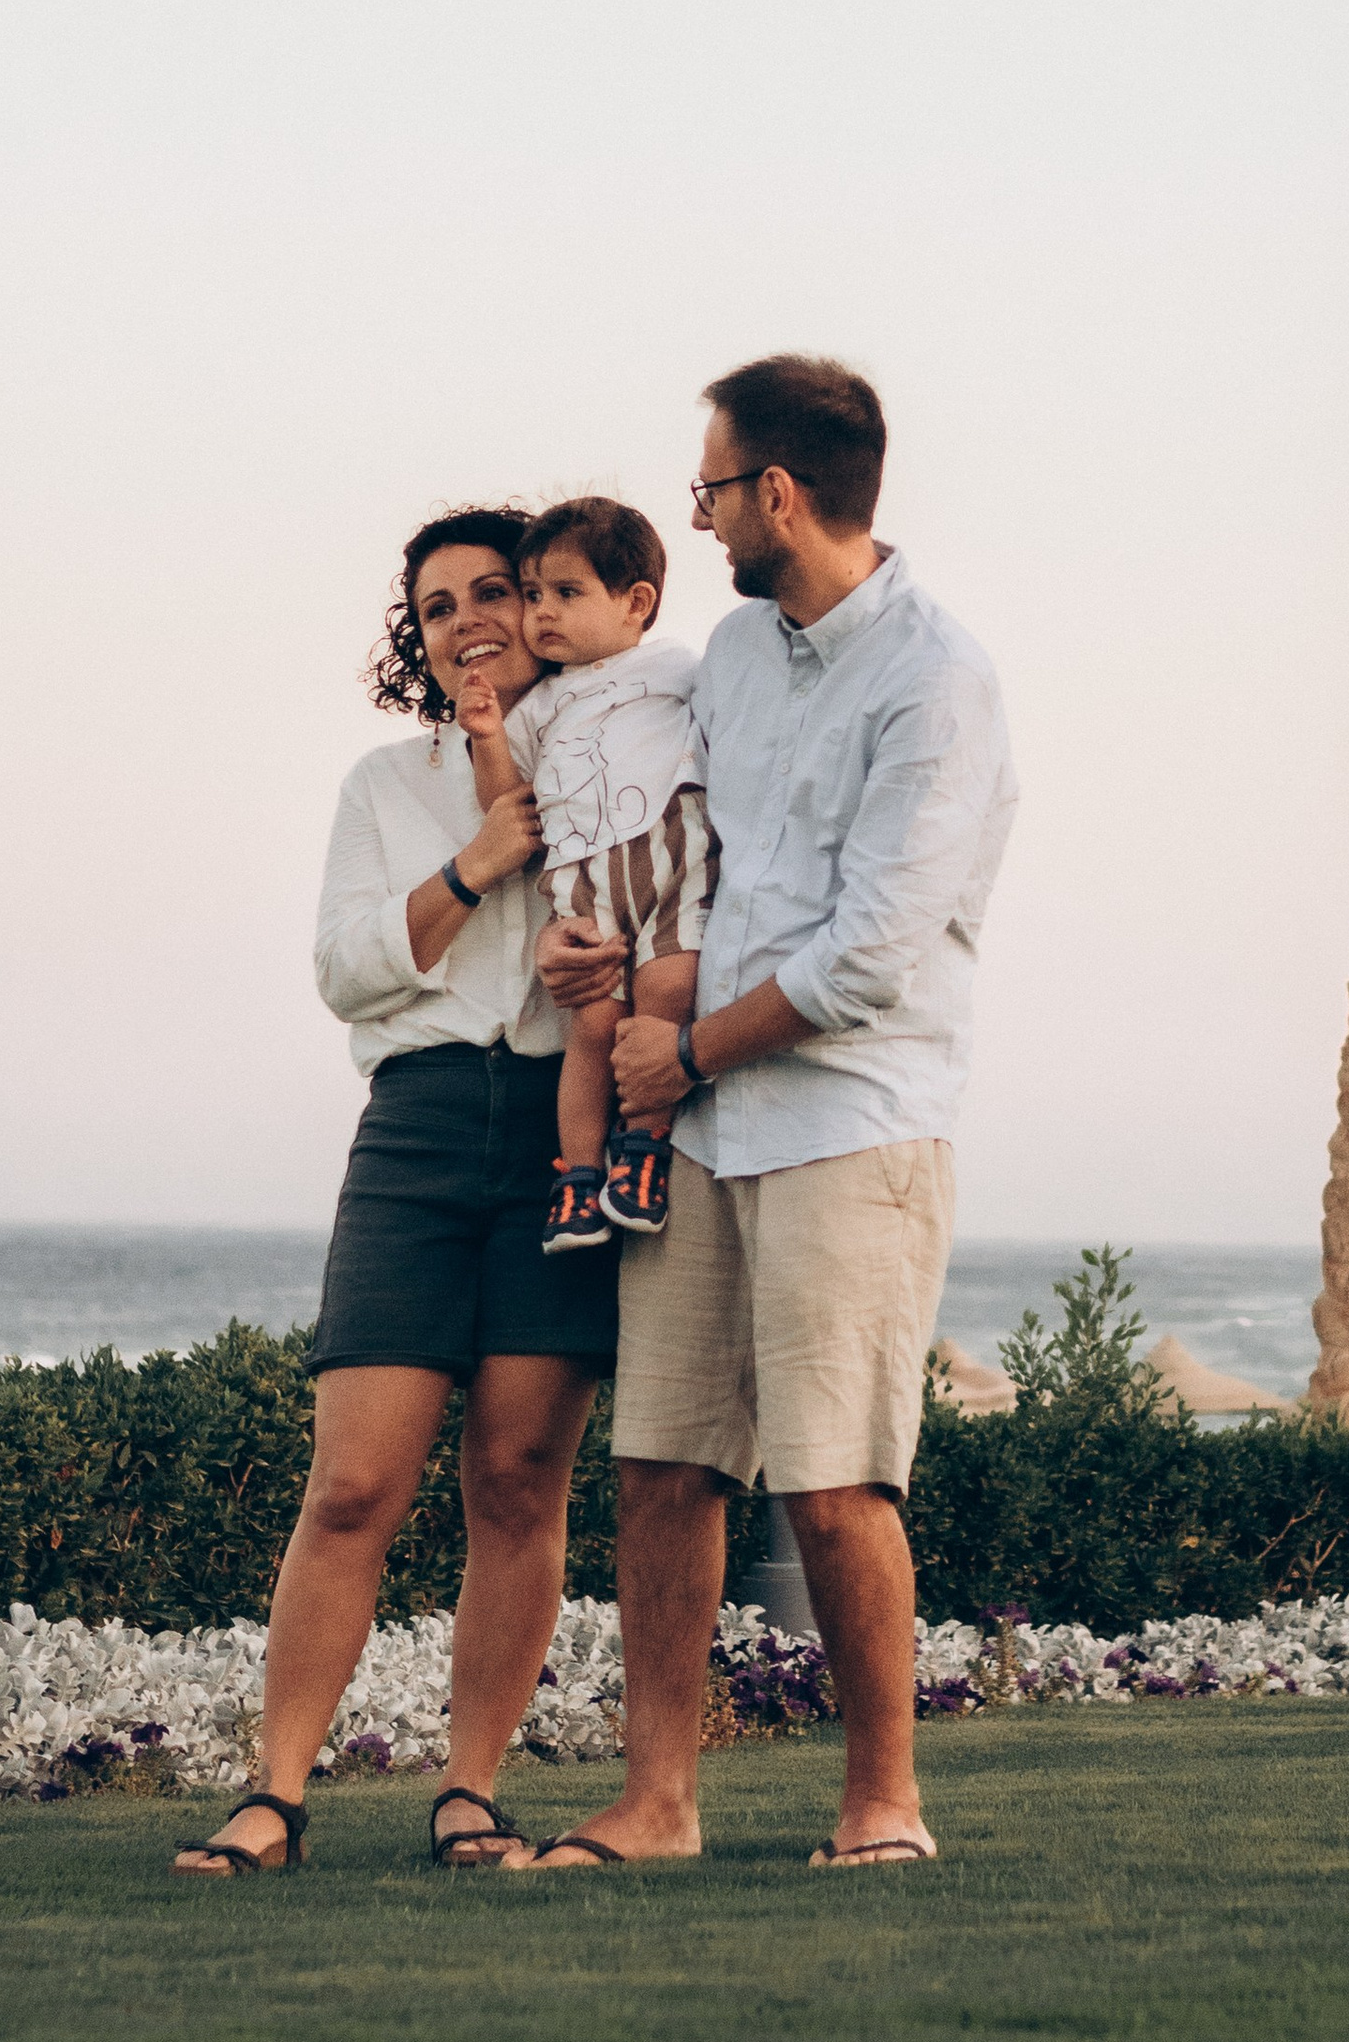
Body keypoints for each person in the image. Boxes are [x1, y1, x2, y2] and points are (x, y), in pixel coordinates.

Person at [514, 355, 1015, 1874]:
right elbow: (690, 854)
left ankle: (883, 1804)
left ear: (776, 494)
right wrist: (596, 949)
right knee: (662, 1467)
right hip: (706, 1125)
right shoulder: (728, 658)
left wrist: (689, 1055)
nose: (703, 511)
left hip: (848, 1125)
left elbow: (874, 952)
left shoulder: (937, 681)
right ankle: (657, 1804)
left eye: (713, 485)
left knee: (836, 1477)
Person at [171, 507, 622, 1879]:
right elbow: (353, 973)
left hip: (564, 1121)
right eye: (438, 606)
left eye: (498, 591)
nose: (472, 619)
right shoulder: (384, 782)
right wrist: (478, 856)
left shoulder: (620, 768)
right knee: (357, 1482)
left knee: (517, 1477)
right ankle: (276, 1795)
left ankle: (470, 1790)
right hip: (418, 1130)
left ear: (548, 609)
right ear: (413, 638)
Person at [457, 497, 712, 1257]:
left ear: (637, 603)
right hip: (585, 885)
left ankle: (643, 1152)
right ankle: (578, 1176)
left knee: (667, 995)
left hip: (670, 862)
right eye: (533, 594)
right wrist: (487, 737)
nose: (542, 614)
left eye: (566, 593)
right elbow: (505, 802)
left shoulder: (678, 667)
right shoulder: (540, 704)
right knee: (593, 1029)